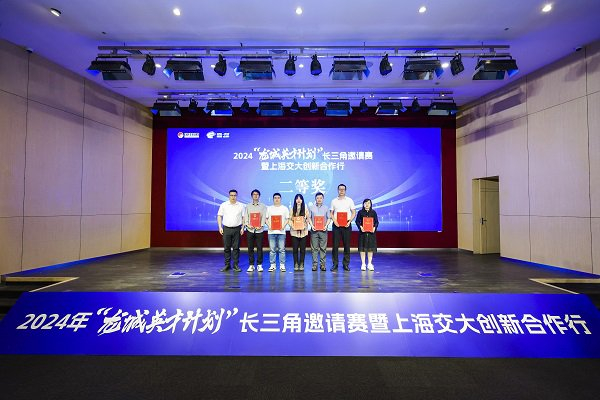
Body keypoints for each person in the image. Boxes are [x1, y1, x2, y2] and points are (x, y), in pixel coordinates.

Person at [216, 189, 245, 272]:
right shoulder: (224, 205)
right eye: (231, 195)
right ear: (229, 196)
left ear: (237, 196)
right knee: (227, 248)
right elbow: (219, 216)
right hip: (226, 229)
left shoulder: (241, 205)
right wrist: (220, 227)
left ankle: (236, 265)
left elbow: (244, 217)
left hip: (237, 229)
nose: (233, 197)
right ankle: (227, 265)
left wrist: (243, 228)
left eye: (235, 195)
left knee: (236, 248)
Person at [329, 183, 356, 271]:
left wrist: (349, 221)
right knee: (335, 246)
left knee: (347, 245)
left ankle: (346, 264)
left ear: (345, 190)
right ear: (338, 190)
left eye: (343, 189)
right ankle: (335, 264)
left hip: (346, 225)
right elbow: (331, 213)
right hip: (336, 225)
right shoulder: (334, 201)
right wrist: (335, 221)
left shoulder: (349, 200)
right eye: (340, 189)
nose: (341, 191)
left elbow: (354, 212)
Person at [244, 189, 267, 272]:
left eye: (257, 194)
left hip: (259, 230)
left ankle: (259, 265)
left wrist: (261, 225)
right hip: (250, 230)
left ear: (259, 196)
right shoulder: (248, 206)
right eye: (254, 194)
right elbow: (246, 216)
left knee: (259, 248)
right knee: (250, 248)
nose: (255, 195)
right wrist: (247, 224)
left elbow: (264, 217)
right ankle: (251, 265)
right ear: (252, 196)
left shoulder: (263, 206)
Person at [266, 192, 289, 272]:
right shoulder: (269, 208)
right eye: (275, 198)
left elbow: (287, 219)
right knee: (272, 250)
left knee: (281, 249)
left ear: (280, 199)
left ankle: (282, 265)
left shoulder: (284, 208)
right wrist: (269, 226)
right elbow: (266, 219)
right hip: (271, 232)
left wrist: (283, 226)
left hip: (281, 232)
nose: (277, 199)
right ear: (273, 199)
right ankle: (272, 265)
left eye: (278, 198)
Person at [308, 192, 330, 271]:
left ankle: (322, 265)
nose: (319, 199)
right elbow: (309, 218)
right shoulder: (311, 208)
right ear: (315, 199)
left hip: (323, 230)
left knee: (323, 248)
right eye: (317, 198)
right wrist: (312, 226)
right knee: (314, 249)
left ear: (323, 199)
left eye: (321, 198)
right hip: (314, 231)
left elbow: (329, 218)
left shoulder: (326, 208)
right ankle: (314, 265)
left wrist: (326, 226)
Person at [355, 198, 379, 271]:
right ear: (363, 204)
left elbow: (376, 222)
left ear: (371, 204)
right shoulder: (360, 212)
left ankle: (369, 263)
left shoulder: (373, 212)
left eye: (368, 203)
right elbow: (357, 221)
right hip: (362, 233)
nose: (367, 205)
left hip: (371, 233)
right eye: (365, 203)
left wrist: (374, 227)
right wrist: (360, 227)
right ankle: (363, 264)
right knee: (362, 248)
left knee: (370, 249)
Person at [289, 193, 310, 271]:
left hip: (303, 232)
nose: (298, 200)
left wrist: (304, 226)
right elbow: (289, 220)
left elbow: (308, 219)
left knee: (302, 249)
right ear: (295, 200)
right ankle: (295, 263)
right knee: (295, 249)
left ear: (302, 200)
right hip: (294, 232)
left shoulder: (305, 209)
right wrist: (293, 226)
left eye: (300, 198)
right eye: (297, 198)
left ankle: (301, 263)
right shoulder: (292, 209)